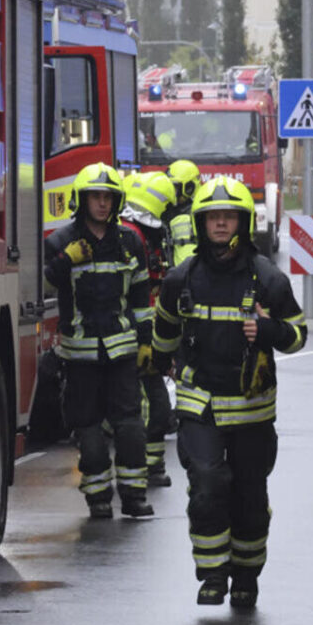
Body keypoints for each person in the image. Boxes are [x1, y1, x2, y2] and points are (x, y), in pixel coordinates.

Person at [151, 177, 307, 609]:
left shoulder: (268, 279)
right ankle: (213, 573)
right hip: (199, 404)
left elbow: (298, 336)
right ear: (200, 224)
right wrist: (156, 363)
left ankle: (246, 577)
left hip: (252, 410)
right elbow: (164, 333)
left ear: (243, 222)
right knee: (206, 484)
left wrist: (269, 330)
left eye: (228, 217)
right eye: (212, 217)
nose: (220, 224)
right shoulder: (180, 280)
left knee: (249, 497)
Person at [44, 163, 154, 520]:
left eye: (108, 197)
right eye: (96, 197)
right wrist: (66, 261)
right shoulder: (60, 242)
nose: (103, 204)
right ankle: (98, 498)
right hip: (80, 356)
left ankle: (134, 495)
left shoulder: (129, 242)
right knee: (88, 429)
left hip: (122, 352)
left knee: (130, 426)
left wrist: (146, 343)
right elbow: (41, 285)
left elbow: (141, 298)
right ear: (82, 200)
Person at [121, 171, 178, 489]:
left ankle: (152, 466)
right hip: (136, 339)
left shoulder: (139, 235)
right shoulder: (134, 238)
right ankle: (142, 469)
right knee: (151, 407)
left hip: (146, 337)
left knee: (154, 407)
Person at [165, 159, 201, 267]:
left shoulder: (195, 214)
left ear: (189, 188)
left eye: (175, 188)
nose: (170, 193)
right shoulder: (167, 209)